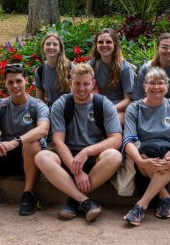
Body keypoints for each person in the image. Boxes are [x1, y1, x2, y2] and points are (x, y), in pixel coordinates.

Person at [34, 63, 123, 222]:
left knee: (114, 156)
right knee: (42, 157)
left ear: (93, 84)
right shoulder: (61, 104)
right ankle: (85, 201)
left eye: (86, 84)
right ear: (70, 83)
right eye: (77, 83)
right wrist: (76, 171)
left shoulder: (103, 104)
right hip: (68, 157)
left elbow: (116, 139)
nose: (81, 88)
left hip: (94, 158)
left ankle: (72, 201)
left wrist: (87, 151)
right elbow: (58, 141)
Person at [0, 63, 50, 216]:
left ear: (26, 81)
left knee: (32, 143)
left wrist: (15, 142)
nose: (15, 86)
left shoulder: (38, 106)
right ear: (5, 84)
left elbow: (43, 129)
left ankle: (28, 194)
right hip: (5, 154)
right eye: (10, 82)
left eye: (18, 81)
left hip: (28, 157)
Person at [121, 67, 170, 226]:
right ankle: (164, 197)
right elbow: (128, 141)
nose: (156, 87)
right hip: (144, 157)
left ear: (167, 86)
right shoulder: (134, 108)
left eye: (160, 83)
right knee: (148, 150)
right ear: (144, 86)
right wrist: (140, 161)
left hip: (169, 157)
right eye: (152, 83)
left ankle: (140, 206)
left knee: (169, 152)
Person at [87, 28, 136, 124]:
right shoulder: (94, 63)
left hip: (122, 108)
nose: (104, 45)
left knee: (108, 123)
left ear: (115, 45)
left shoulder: (125, 68)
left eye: (108, 42)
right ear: (96, 45)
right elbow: (79, 73)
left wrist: (108, 110)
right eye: (100, 42)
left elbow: (128, 100)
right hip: (103, 104)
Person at [34, 32, 72, 106]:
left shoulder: (70, 67)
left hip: (69, 109)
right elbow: (40, 100)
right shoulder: (40, 71)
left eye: (55, 44)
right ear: (43, 47)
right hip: (50, 112)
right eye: (48, 44)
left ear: (60, 48)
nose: (51, 47)